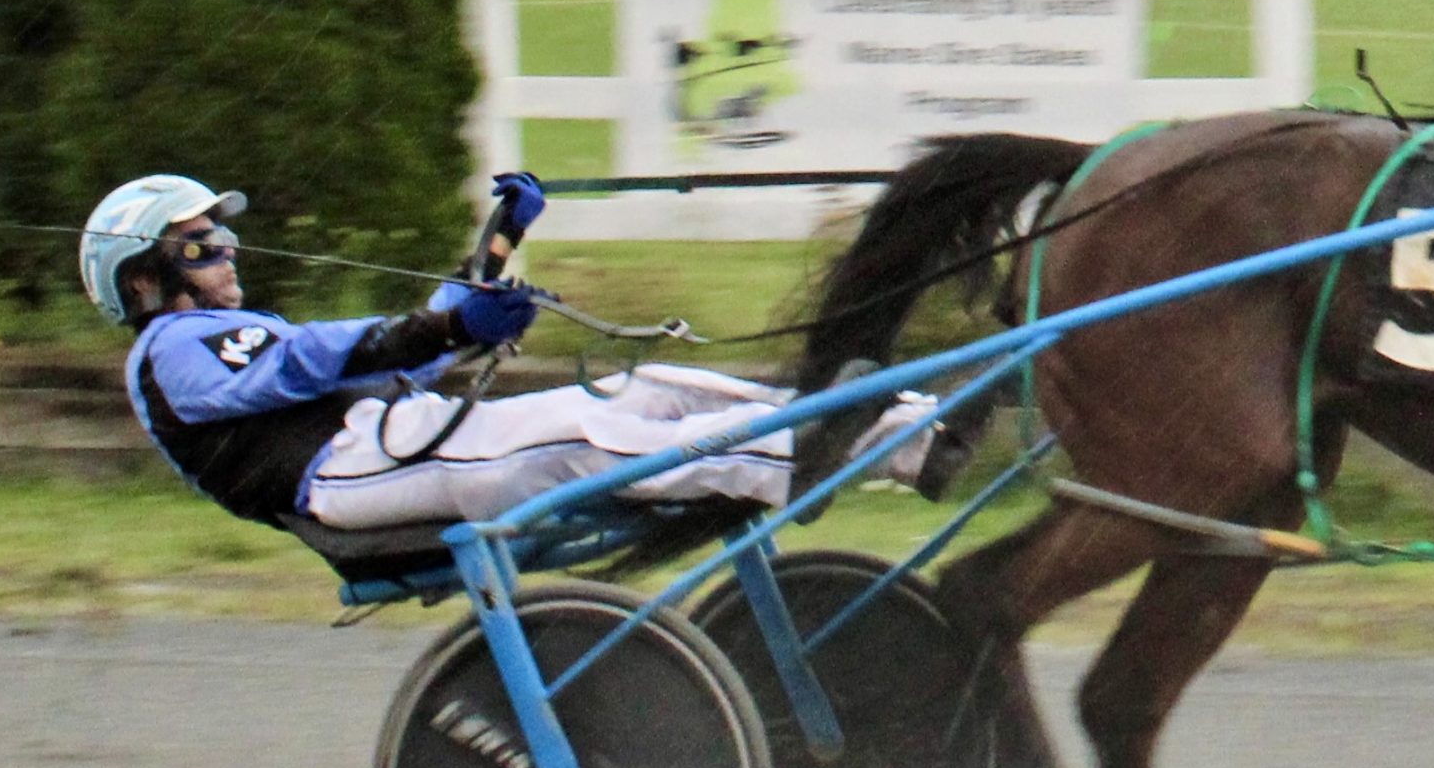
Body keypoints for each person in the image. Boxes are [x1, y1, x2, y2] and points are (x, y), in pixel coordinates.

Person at [82, 172, 941, 536]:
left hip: (396, 443)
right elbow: (308, 361)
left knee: (652, 390)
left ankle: (915, 435)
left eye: (223, 236)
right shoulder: (171, 352)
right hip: (347, 477)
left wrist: (496, 250)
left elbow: (404, 356)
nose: (227, 251)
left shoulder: (215, 339)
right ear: (147, 280)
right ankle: (793, 461)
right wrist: (454, 327)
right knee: (576, 429)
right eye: (201, 244)